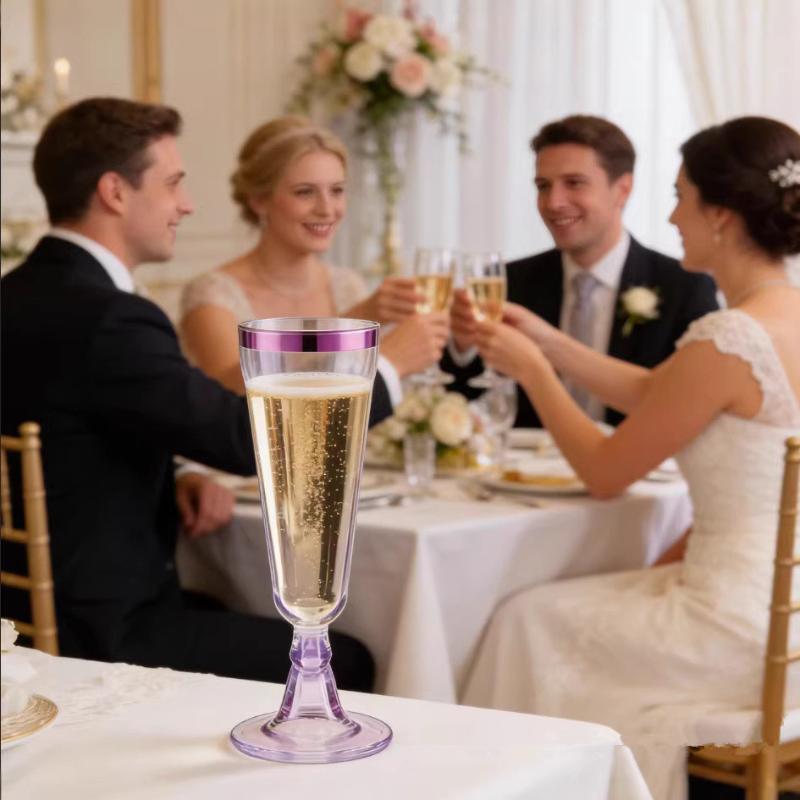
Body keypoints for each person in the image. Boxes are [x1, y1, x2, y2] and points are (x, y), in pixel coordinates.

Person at [462, 116, 800, 800]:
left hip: (731, 629)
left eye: (680, 197)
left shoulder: (730, 337)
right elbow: (657, 392)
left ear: (721, 215)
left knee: (523, 619)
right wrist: (551, 342)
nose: (671, 217)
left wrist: (534, 371)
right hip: (784, 617)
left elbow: (605, 472)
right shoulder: (780, 316)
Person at [0, 97, 375, 690]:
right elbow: (253, 441)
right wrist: (385, 369)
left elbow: (70, 426)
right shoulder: (112, 318)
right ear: (115, 192)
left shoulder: (18, 294)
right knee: (349, 656)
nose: (187, 204)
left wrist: (177, 473)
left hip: (24, 614)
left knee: (227, 607)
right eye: (173, 183)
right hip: (105, 636)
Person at [445, 114, 719, 427]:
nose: (553, 202)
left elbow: (687, 410)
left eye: (574, 183)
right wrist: (463, 346)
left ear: (623, 189)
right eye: (543, 186)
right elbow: (463, 407)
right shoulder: (510, 281)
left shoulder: (686, 287)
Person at [179, 115, 449, 399]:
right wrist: (355, 322)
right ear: (258, 200)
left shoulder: (347, 285)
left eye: (337, 191)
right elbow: (230, 397)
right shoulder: (212, 295)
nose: (327, 209)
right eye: (305, 192)